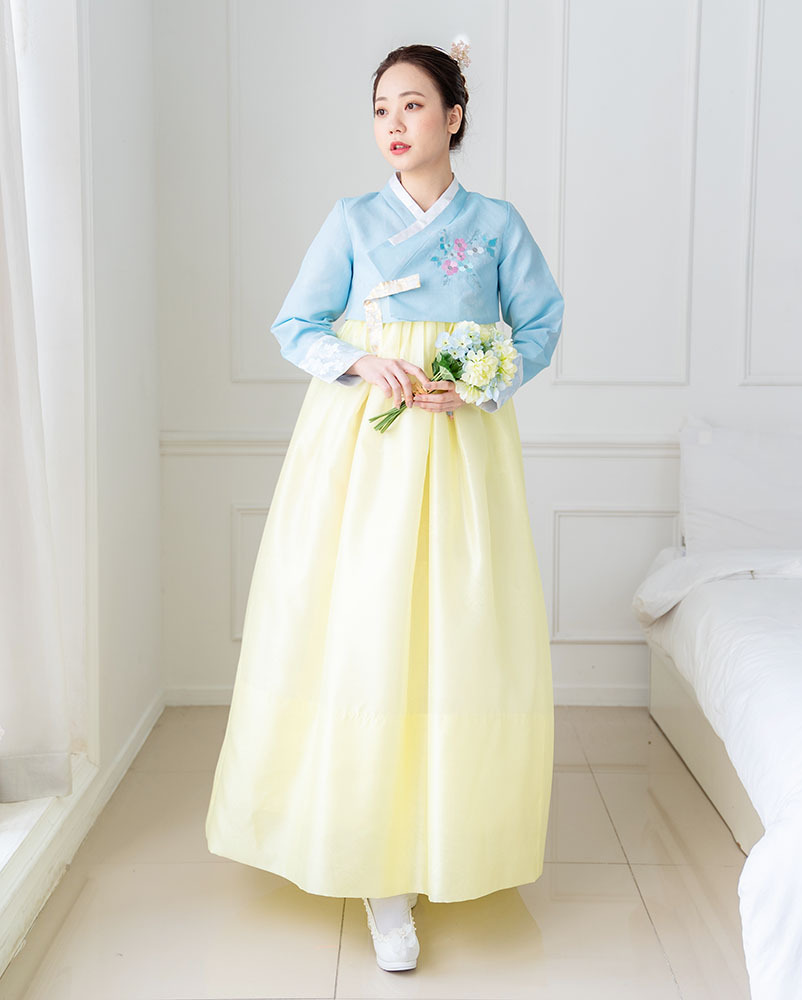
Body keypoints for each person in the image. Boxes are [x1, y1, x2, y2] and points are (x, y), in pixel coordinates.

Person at [205, 39, 565, 973]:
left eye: (412, 105)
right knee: (363, 629)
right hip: (361, 454)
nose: (393, 125)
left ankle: (440, 833)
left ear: (453, 116)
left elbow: (539, 323)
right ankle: (372, 863)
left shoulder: (496, 225)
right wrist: (362, 359)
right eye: (380, 109)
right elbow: (294, 323)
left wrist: (480, 381)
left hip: (459, 454)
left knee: (452, 632)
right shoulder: (351, 220)